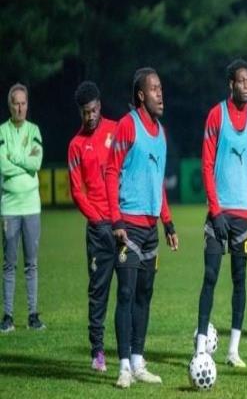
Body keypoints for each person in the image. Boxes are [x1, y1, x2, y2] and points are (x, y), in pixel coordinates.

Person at [105, 67, 179, 388]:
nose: (160, 93)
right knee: (125, 292)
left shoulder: (160, 133)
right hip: (128, 227)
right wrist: (116, 219)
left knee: (144, 295)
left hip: (150, 230)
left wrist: (168, 222)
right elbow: (111, 171)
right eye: (154, 89)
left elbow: (157, 182)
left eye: (161, 88)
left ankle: (138, 361)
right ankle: (123, 366)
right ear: (141, 95)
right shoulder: (127, 125)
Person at [194, 58, 247, 368]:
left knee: (240, 280)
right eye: (241, 81)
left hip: (243, 218)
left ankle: (233, 351)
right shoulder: (216, 115)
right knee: (210, 276)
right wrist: (215, 210)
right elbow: (207, 164)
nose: (246, 86)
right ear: (231, 84)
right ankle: (200, 347)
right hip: (218, 216)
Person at [68, 81, 117, 371]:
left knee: (129, 291)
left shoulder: (116, 130)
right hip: (98, 231)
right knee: (98, 293)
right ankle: (97, 351)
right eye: (85, 112)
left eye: (94, 110)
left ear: (100, 106)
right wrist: (97, 219)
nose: (90, 116)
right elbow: (77, 191)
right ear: (81, 112)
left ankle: (130, 353)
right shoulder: (76, 145)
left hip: (123, 225)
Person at [0, 83, 45, 333]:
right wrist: (23, 163)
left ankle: (32, 315)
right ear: (10, 105)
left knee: (31, 264)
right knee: (9, 264)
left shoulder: (34, 130)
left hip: (31, 206)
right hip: (9, 206)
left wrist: (14, 158)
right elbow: (2, 166)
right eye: (16, 103)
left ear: (27, 105)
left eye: (23, 103)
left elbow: (36, 163)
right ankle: (7, 316)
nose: (20, 108)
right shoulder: (1, 131)